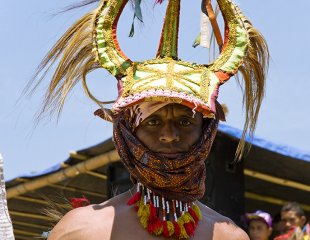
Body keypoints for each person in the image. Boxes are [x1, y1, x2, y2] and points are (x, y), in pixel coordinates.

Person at [29, 0, 268, 239]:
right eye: (152, 122)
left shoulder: (229, 236)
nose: (169, 135)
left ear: (207, 132)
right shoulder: (81, 230)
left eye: (185, 122)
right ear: (127, 133)